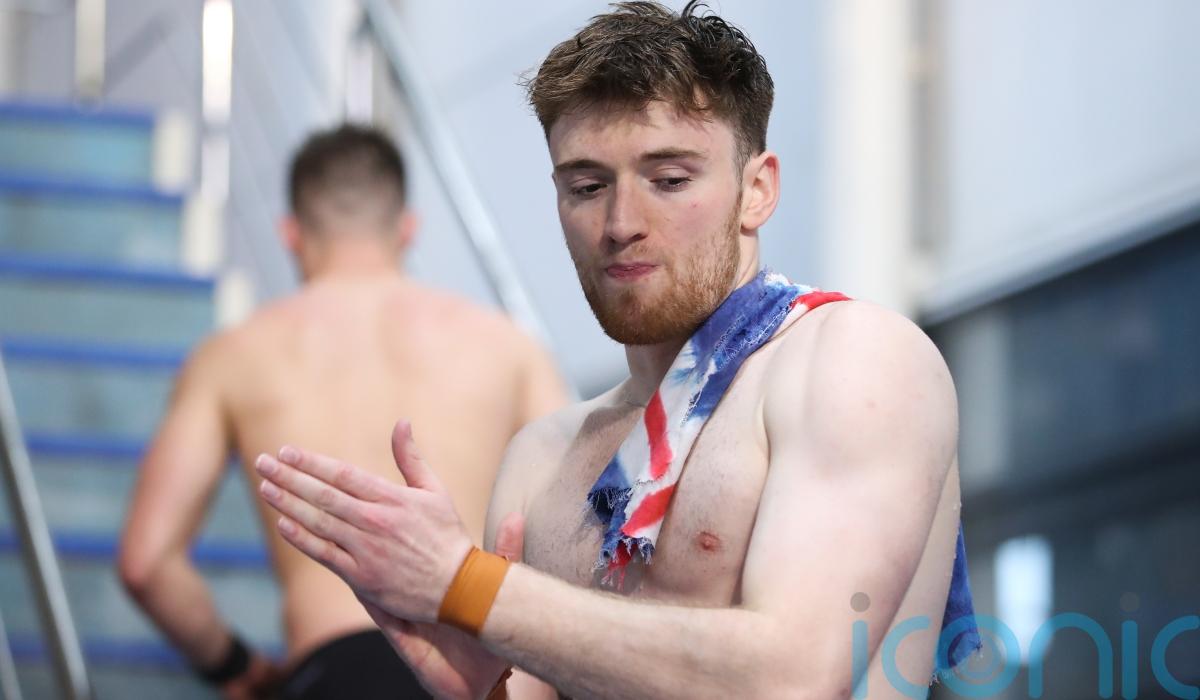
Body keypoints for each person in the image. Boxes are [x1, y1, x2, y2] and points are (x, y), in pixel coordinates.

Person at [254, 3, 981, 698]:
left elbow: (793, 677)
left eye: (669, 180)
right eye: (587, 186)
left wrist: (469, 588)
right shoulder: (541, 460)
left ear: (757, 190)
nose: (621, 222)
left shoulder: (851, 358)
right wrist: (482, 688)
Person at [117, 125, 568, 699]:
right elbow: (583, 528)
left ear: (290, 234)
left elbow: (146, 563)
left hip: (332, 672)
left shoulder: (231, 354)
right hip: (481, 669)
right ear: (408, 228)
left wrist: (236, 667)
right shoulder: (509, 345)